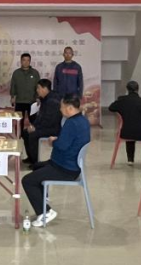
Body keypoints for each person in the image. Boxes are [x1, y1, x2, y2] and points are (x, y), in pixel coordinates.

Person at [21, 94, 91, 227]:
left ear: (69, 108)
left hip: (65, 169)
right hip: (70, 164)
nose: (60, 109)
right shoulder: (83, 120)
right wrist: (58, 140)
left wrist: (53, 141)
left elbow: (62, 145)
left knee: (27, 181)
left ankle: (46, 212)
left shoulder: (71, 123)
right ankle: (43, 202)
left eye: (62, 107)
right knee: (36, 167)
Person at [109, 80, 141, 164]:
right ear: (138, 89)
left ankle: (130, 159)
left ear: (127, 89)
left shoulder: (122, 100)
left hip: (125, 132)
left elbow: (111, 108)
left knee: (130, 126)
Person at [22, 79, 62, 166]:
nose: (37, 90)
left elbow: (49, 120)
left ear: (45, 89)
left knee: (33, 135)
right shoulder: (44, 99)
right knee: (25, 132)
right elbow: (40, 117)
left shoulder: (52, 101)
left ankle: (35, 162)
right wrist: (33, 126)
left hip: (53, 128)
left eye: (38, 88)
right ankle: (30, 158)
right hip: (45, 126)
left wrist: (36, 128)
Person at [10, 52, 41, 123]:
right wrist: (12, 97)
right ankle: (20, 131)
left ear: (30, 61)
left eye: (28, 60)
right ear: (21, 61)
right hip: (19, 101)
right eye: (24, 60)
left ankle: (33, 131)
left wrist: (38, 97)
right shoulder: (16, 73)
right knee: (19, 122)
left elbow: (38, 86)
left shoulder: (35, 73)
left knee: (33, 121)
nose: (26, 62)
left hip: (32, 101)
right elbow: (13, 85)